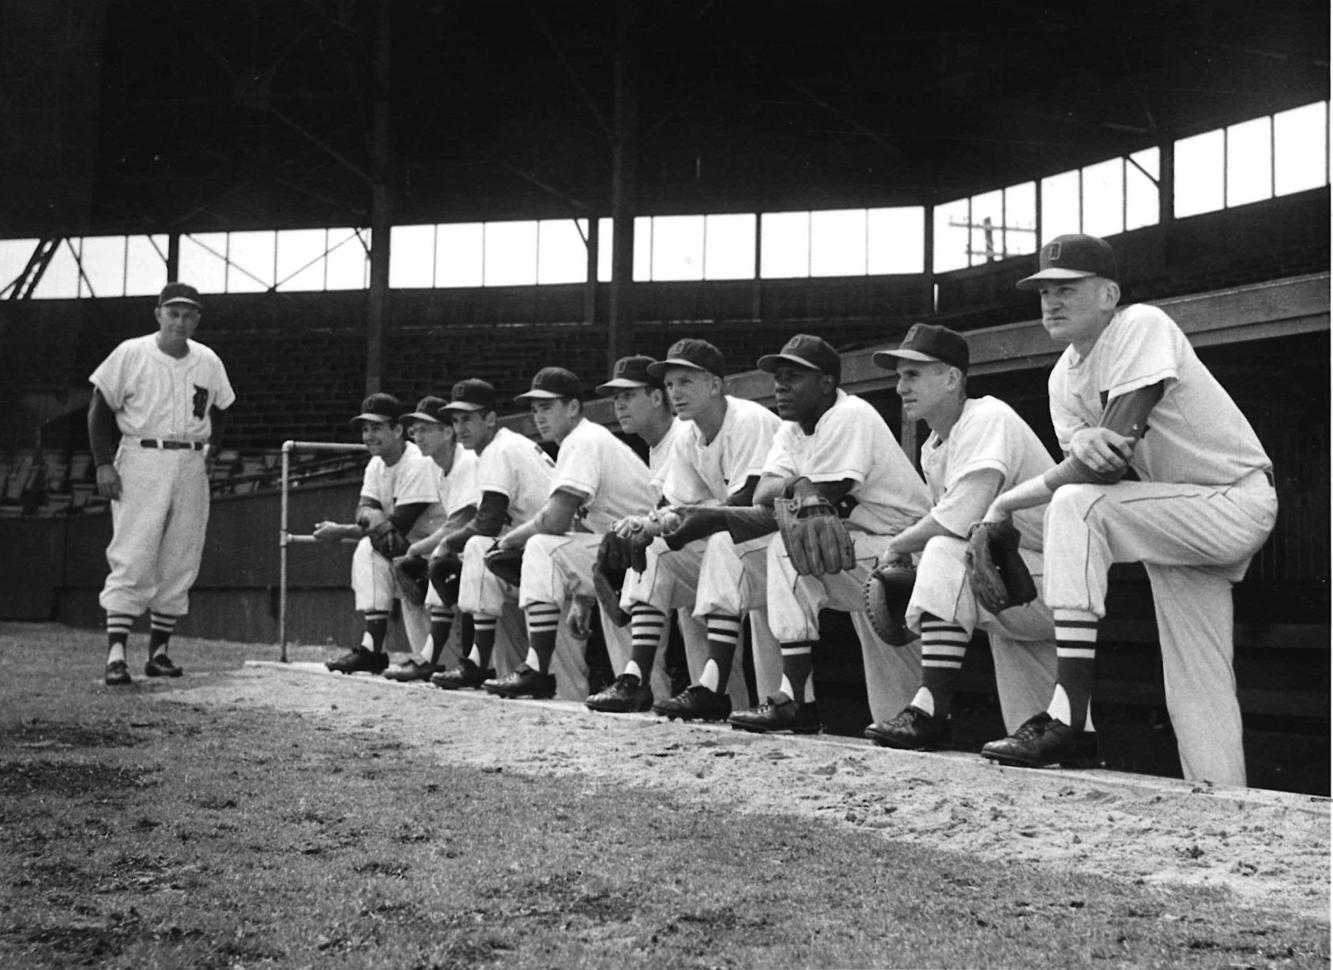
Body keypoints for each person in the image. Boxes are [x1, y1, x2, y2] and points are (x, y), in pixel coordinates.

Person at [977, 233, 1277, 786]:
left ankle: (1069, 717)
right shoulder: (1060, 379)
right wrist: (1090, 455)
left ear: (1109, 294)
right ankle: (1221, 805)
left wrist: (1005, 502)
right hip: (1170, 515)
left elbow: (1104, 462)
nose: (1051, 301)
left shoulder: (1142, 325)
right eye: (1044, 290)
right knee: (1197, 676)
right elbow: (1092, 460)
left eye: (1068, 288)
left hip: (1231, 499)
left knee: (1078, 506)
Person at [861, 324, 1059, 751]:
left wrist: (897, 547)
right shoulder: (933, 446)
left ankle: (931, 708)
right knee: (1039, 739)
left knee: (944, 550)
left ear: (951, 378)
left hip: (1062, 582)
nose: (900, 387)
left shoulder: (987, 416)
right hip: (1018, 581)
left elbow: (958, 521)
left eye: (912, 374)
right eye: (899, 376)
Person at [726, 333, 932, 734]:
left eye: (793, 377)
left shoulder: (850, 413)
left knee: (905, 695)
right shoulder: (791, 429)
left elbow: (819, 500)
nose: (780, 386)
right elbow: (765, 493)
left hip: (909, 553)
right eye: (777, 376)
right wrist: (796, 485)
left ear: (826, 383)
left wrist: (799, 488)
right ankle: (795, 699)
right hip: (864, 550)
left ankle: (797, 702)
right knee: (892, 709)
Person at [588, 339, 783, 720]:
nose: (675, 392)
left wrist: (670, 522)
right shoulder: (688, 434)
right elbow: (675, 506)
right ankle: (635, 678)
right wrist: (646, 527)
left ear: (714, 384)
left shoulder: (749, 420)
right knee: (653, 548)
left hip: (777, 545)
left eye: (685, 382)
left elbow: (748, 501)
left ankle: (714, 691)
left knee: (780, 686)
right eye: (671, 383)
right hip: (739, 549)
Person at [89, 282, 235, 686]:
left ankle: (159, 653)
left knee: (181, 553)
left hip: (190, 458)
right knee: (134, 550)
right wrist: (103, 462)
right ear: (158, 315)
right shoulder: (131, 351)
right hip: (141, 455)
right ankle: (117, 654)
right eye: (173, 313)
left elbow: (223, 408)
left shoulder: (207, 359)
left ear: (197, 319)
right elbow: (99, 408)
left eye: (189, 315)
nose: (180, 321)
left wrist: (214, 448)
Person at [484, 367, 656, 699]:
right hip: (619, 558)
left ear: (574, 408)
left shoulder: (583, 440)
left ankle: (535, 669)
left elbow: (555, 522)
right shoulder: (581, 442)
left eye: (547, 407)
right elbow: (581, 527)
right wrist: (581, 598)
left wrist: (507, 540)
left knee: (541, 548)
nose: (538, 417)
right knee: (637, 674)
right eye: (535, 409)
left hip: (644, 553)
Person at [428, 379, 556, 691]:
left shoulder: (500, 449)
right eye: (455, 420)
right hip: (538, 549)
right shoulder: (501, 446)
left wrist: (446, 544)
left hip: (553, 551)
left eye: (468, 418)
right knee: (477, 548)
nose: (460, 428)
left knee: (475, 544)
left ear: (489, 418)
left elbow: (487, 522)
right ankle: (477, 660)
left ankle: (477, 662)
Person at [579, 354, 685, 708]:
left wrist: (638, 528)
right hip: (689, 551)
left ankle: (637, 680)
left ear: (657, 397)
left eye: (628, 395)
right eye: (615, 398)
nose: (618, 405)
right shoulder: (658, 447)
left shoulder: (683, 435)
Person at [315, 393, 439, 675]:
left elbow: (398, 527)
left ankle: (375, 650)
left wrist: (351, 528)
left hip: (435, 548)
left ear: (397, 430)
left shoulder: (417, 460)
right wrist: (376, 518)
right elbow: (363, 510)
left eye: (376, 428)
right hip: (407, 551)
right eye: (365, 429)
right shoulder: (376, 463)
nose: (368, 435)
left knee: (371, 546)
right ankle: (371, 649)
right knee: (369, 549)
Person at [381, 396, 479, 682]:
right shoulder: (438, 466)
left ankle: (432, 658)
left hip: (503, 542)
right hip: (483, 546)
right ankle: (431, 657)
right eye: (415, 430)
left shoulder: (465, 461)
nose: (418, 437)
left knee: (436, 556)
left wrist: (415, 551)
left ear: (447, 432)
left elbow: (460, 523)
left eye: (426, 429)